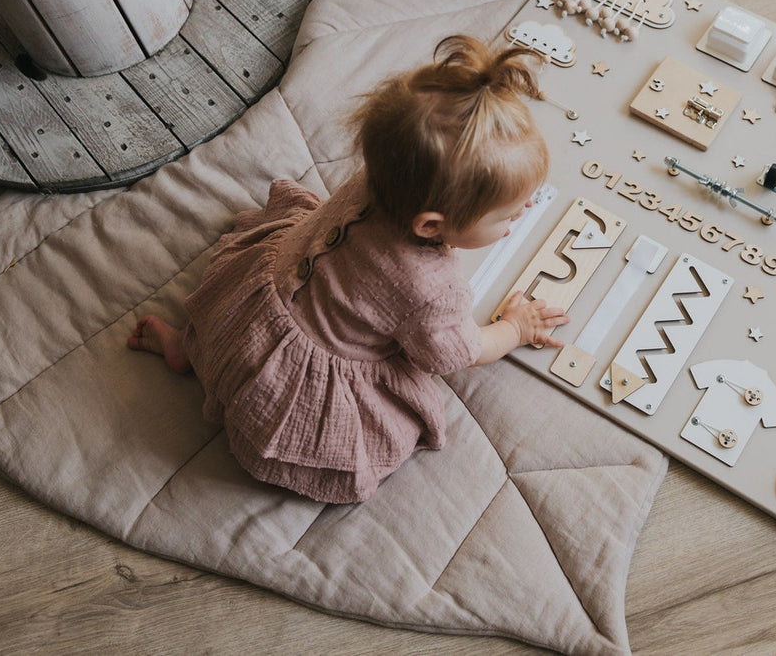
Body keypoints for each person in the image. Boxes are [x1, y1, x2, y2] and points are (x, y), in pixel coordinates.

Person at [128, 35, 568, 503]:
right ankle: (211, 373)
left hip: (244, 313)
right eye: (508, 214)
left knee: (219, 334)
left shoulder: (378, 179)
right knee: (369, 448)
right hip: (291, 376)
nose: (520, 215)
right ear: (431, 225)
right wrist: (515, 329)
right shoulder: (431, 289)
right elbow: (456, 353)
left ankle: (190, 347)